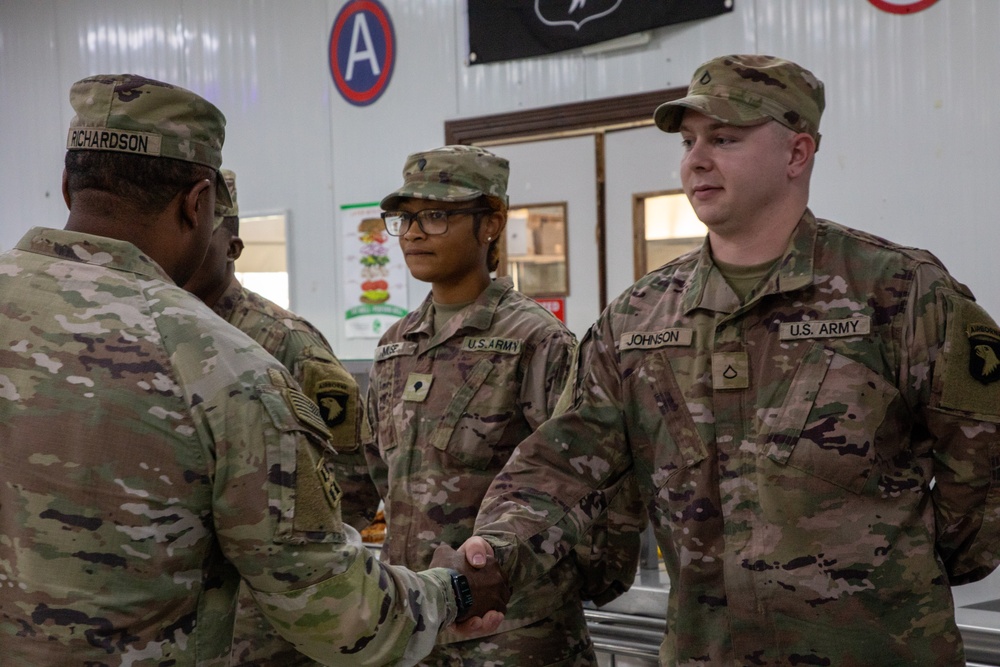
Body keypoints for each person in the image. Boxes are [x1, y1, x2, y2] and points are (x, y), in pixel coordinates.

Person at [455, 55, 1000, 665]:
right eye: (689, 141)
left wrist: (907, 571)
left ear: (796, 154)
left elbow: (983, 462)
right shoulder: (637, 320)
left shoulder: (900, 293)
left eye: (725, 138)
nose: (696, 160)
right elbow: (561, 466)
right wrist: (495, 548)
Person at [0, 73, 507, 666]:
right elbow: (338, 612)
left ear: (67, 186)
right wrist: (457, 592)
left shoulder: (272, 347)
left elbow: (351, 481)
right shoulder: (221, 368)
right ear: (197, 203)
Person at [366, 145, 641, 666]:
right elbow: (380, 473)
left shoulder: (537, 341)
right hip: (415, 621)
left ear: (491, 223)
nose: (415, 232)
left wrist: (569, 584)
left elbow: (591, 482)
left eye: (438, 215)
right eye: (404, 218)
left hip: (514, 634)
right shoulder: (396, 346)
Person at [182, 169, 381, 666]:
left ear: (233, 247)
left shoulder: (286, 344)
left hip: (261, 626)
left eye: (201, 236)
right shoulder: (155, 332)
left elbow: (352, 485)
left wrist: (276, 567)